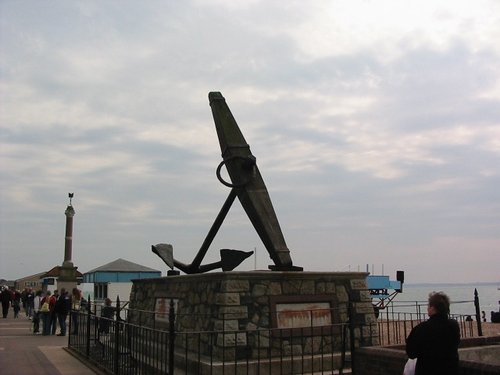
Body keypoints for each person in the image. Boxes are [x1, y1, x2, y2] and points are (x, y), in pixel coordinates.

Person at [406, 291, 460, 375]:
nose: (427, 308)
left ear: (433, 308)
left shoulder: (422, 328)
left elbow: (411, 352)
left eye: (428, 306)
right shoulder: (453, 326)